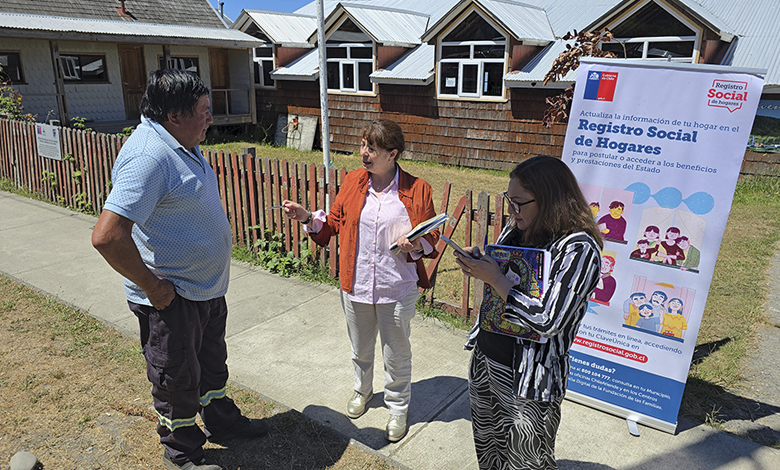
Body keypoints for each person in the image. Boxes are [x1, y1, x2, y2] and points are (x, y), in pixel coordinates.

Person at [91, 69, 267, 470]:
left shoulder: (179, 140)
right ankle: (183, 451)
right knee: (177, 380)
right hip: (173, 299)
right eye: (203, 111)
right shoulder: (149, 155)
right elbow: (108, 235)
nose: (210, 118)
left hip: (204, 289)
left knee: (210, 365)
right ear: (174, 115)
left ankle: (222, 423)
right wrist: (152, 287)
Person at [281, 119, 439, 442]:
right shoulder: (354, 182)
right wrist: (307, 217)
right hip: (357, 285)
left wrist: (415, 244)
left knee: (397, 351)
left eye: (373, 149)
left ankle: (397, 407)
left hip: (398, 287)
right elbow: (333, 225)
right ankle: (362, 391)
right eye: (364, 145)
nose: (364, 153)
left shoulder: (418, 189)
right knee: (361, 348)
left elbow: (431, 236)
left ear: (393, 154)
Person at [454, 156, 602, 470]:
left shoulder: (579, 249)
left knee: (527, 462)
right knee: (490, 453)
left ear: (549, 200)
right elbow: (505, 273)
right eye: (509, 201)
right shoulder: (519, 229)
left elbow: (548, 319)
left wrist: (494, 277)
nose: (512, 211)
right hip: (486, 361)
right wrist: (480, 263)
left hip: (531, 379)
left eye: (519, 203)